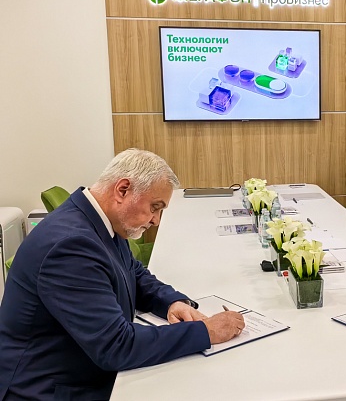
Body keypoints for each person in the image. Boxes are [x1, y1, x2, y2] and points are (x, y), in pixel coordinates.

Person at [0, 148, 245, 400]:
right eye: (155, 207)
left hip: (81, 370)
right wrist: (206, 332)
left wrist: (172, 302)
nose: (156, 220)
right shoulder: (71, 246)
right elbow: (116, 346)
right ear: (123, 190)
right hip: (48, 390)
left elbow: (134, 273)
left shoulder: (99, 221)